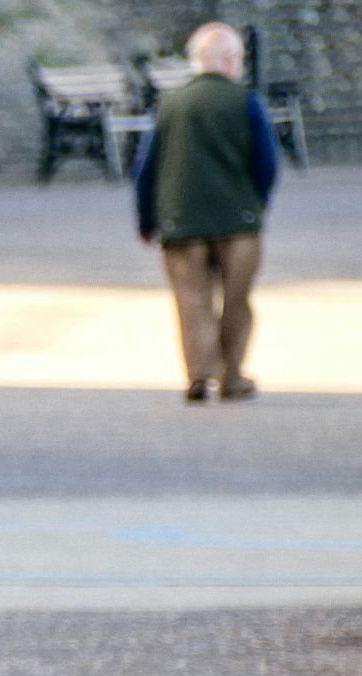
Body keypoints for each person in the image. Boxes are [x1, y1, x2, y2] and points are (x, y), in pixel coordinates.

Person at [134, 22, 280, 404]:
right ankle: (232, 376)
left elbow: (145, 169)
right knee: (236, 301)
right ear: (231, 60)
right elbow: (267, 162)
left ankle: (199, 375)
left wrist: (147, 220)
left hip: (182, 221)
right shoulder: (246, 101)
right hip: (239, 222)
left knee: (192, 299)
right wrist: (256, 203)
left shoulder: (170, 104)